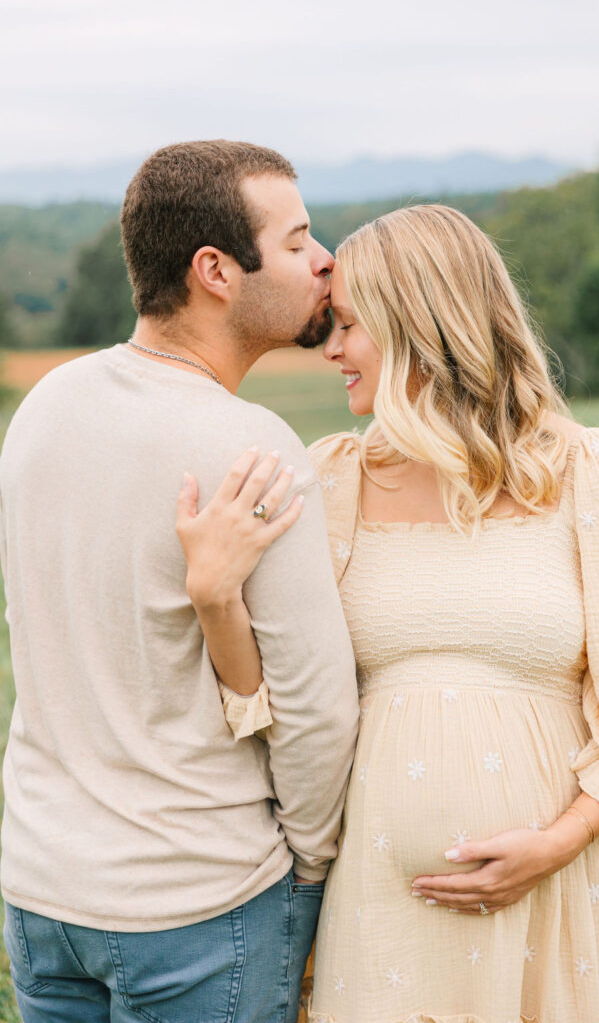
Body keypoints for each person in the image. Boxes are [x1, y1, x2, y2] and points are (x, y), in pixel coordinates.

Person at [179, 204, 599, 1023]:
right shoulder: (327, 482)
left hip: (565, 899)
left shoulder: (596, 471)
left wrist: (552, 845)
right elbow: (272, 706)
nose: (331, 349)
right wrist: (216, 600)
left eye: (347, 325)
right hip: (380, 911)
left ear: (421, 323)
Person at [0, 140, 358, 1023]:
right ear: (215, 271)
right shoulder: (255, 449)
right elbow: (316, 711)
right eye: (296, 241)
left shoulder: (45, 405)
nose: (325, 262)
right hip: (200, 904)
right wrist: (308, 873)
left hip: (43, 892)